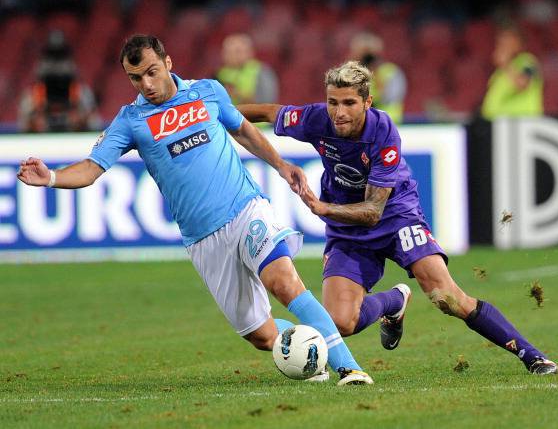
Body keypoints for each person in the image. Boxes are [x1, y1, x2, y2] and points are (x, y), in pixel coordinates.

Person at [17, 35, 372, 386]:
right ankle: (310, 349)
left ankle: (350, 369)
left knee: (283, 281)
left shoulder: (207, 92)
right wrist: (51, 178)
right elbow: (91, 169)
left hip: (245, 208)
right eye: (136, 78)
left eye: (152, 72)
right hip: (203, 238)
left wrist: (281, 165)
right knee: (262, 335)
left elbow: (243, 130)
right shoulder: (131, 120)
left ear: (168, 63)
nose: (146, 84)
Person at [238, 61, 558, 375]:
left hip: (396, 215)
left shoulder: (382, 130)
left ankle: (532, 356)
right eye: (333, 102)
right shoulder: (316, 119)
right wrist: (217, 115)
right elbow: (268, 112)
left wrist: (324, 209)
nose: (339, 112)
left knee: (447, 297)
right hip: (346, 228)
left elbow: (373, 211)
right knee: (340, 322)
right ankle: (394, 301)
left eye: (349, 103)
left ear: (367, 102)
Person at [18, 29, 101, 133]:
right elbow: (25, 124)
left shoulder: (81, 91)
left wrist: (81, 119)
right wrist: (34, 121)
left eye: (60, 56)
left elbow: (93, 121)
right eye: (52, 56)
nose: (56, 64)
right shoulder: (34, 93)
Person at [480, 26, 543, 120]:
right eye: (500, 42)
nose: (502, 46)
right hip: (499, 122)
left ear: (519, 44)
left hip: (521, 121)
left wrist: (505, 64)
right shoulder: (500, 71)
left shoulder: (527, 61)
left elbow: (523, 83)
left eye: (507, 41)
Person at [349, 31, 406, 124]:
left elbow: (391, 98)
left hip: (387, 123)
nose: (367, 59)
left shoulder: (391, 72)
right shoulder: (348, 74)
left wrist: (376, 76)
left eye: (369, 54)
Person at [216, 33, 278, 105]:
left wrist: (239, 96)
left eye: (237, 51)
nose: (232, 55)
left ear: (249, 52)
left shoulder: (261, 72)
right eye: (228, 51)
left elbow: (268, 101)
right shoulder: (219, 74)